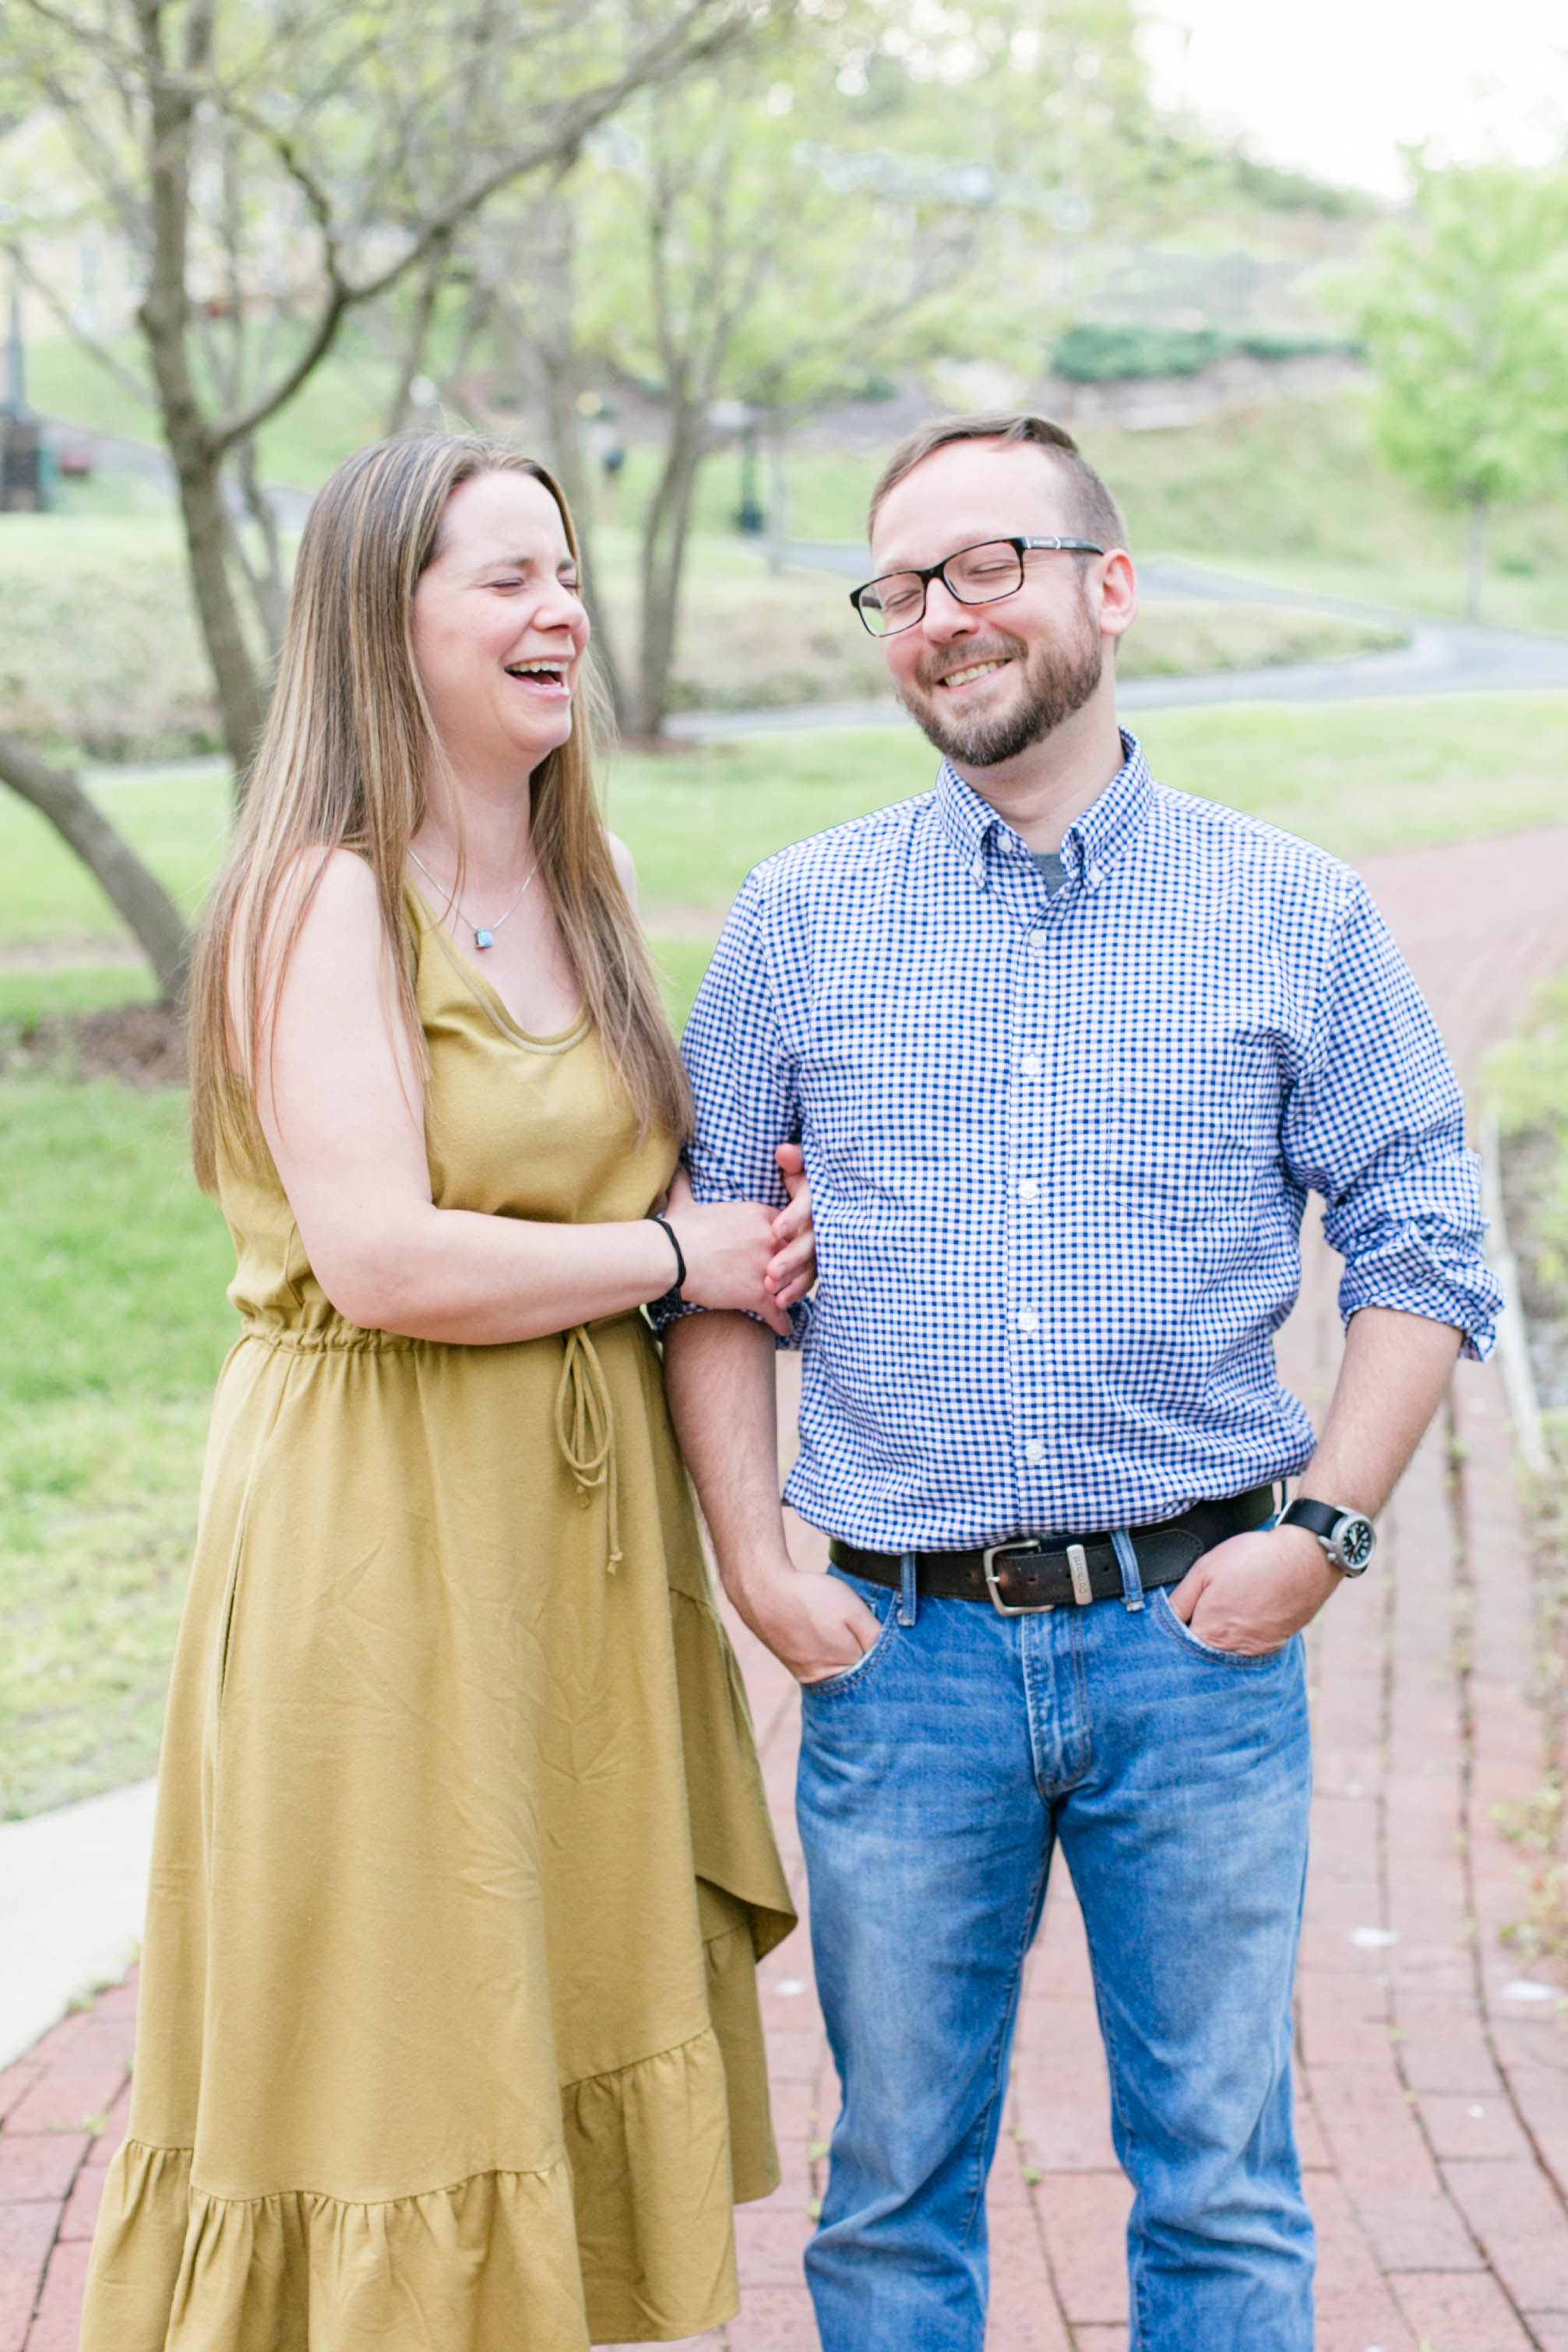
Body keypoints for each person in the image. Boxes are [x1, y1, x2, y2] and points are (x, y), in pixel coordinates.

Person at [661, 411, 1503, 2351]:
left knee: (1215, 2185)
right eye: (898, 588)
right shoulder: (795, 923)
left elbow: (1422, 1245)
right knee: (887, 2193)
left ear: (1105, 589)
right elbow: (711, 1266)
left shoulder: (1290, 909)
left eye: (985, 569)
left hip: (1193, 1642)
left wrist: (1326, 1531)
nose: (939, 619)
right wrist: (755, 1566)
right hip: (897, 1647)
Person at [79, 433, 807, 2352]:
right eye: (502, 578)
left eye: (561, 573)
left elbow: (638, 1174)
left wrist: (749, 1219)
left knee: (539, 1984)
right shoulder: (317, 896)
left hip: (568, 1538)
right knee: (401, 2021)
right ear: (377, 619)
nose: (557, 610)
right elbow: (385, 1257)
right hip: (382, 1528)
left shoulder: (592, 870)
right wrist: (678, 1260)